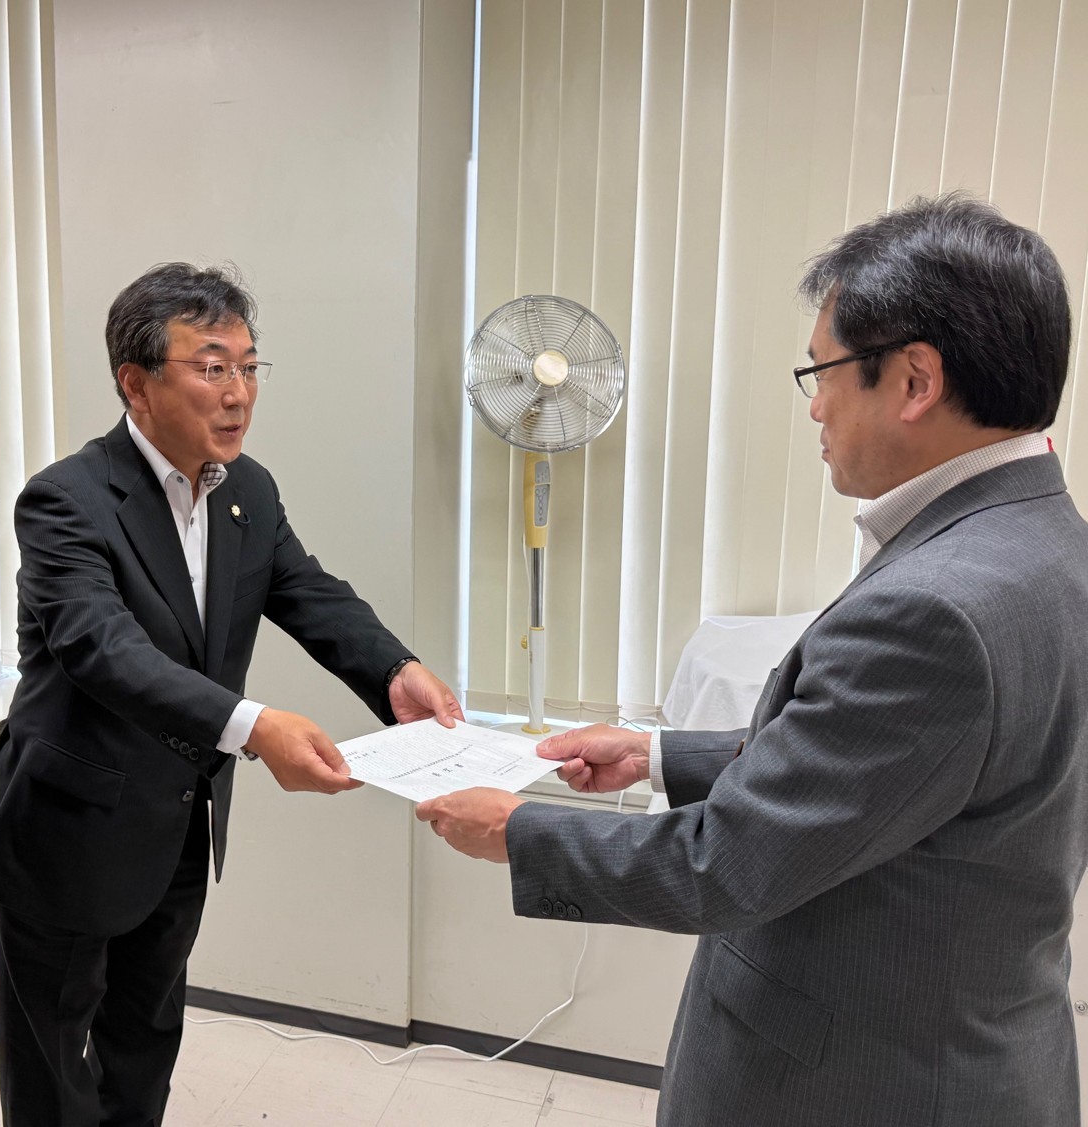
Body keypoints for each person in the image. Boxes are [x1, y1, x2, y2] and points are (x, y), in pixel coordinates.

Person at [418, 194, 1088, 1126]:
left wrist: (516, 830)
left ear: (914, 379)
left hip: (856, 1081)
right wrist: (656, 754)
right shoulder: (1046, 544)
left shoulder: (933, 604)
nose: (814, 405)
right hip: (972, 1047)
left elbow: (727, 863)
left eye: (823, 370)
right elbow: (885, 771)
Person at [0, 262, 462, 1126]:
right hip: (65, 828)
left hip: (174, 824)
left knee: (145, 1043)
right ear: (135, 383)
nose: (238, 393)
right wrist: (253, 725)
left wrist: (393, 670)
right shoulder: (66, 499)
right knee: (51, 1070)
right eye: (211, 367)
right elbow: (100, 648)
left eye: (248, 366)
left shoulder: (246, 491)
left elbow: (307, 591)